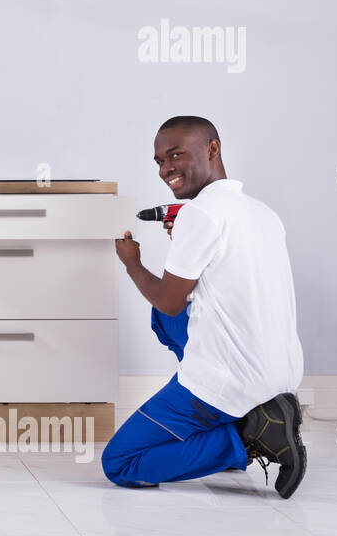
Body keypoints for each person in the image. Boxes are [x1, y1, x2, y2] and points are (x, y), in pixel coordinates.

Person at [103, 116, 307, 498]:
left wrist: (132, 262)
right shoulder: (263, 213)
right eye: (160, 161)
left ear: (213, 148)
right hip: (281, 374)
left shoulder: (202, 214)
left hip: (231, 382)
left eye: (176, 154)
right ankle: (253, 417)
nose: (166, 169)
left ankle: (248, 436)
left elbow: (168, 297)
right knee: (168, 321)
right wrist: (186, 236)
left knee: (121, 463)